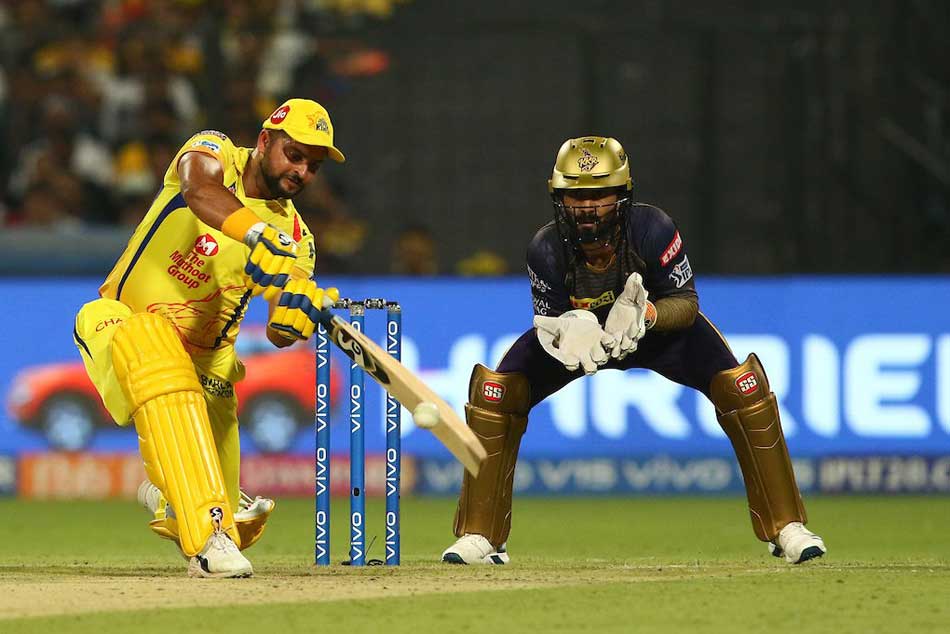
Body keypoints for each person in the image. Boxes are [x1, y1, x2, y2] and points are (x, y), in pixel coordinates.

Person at [441, 136, 827, 566]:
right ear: (559, 198)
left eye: (599, 195)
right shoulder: (544, 248)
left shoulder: (653, 228)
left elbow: (686, 303)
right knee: (496, 394)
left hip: (657, 333)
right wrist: (568, 332)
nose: (587, 208)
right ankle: (482, 534)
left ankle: (786, 526)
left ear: (623, 195)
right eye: (576, 197)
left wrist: (647, 316)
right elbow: (547, 322)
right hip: (583, 343)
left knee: (743, 387)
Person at [73, 98, 345, 578]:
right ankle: (205, 539)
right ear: (264, 141)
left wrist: (295, 314)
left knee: (234, 519)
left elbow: (279, 330)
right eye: (294, 154)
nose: (301, 171)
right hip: (120, 322)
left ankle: (176, 495)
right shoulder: (213, 150)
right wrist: (256, 233)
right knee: (152, 346)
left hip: (210, 373)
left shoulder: (298, 240)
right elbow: (198, 189)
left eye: (313, 166)